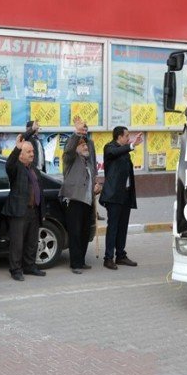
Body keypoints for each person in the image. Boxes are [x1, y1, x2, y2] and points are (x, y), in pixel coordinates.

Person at [60, 117, 100, 274]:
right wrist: (77, 133)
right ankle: (75, 264)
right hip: (74, 200)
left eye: (85, 143)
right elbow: (69, 148)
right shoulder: (70, 159)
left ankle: (81, 261)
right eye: (82, 144)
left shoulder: (88, 161)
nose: (85, 146)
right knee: (75, 233)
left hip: (87, 201)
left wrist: (97, 186)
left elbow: (94, 175)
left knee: (84, 233)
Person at [100, 126, 143, 270]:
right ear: (119, 137)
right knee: (113, 227)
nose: (128, 138)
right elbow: (115, 152)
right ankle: (108, 258)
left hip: (125, 195)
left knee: (123, 226)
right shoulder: (110, 148)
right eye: (126, 136)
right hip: (113, 196)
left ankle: (120, 255)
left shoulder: (125, 151)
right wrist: (132, 145)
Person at [3, 134, 45, 281]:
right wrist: (16, 148)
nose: (32, 154)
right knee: (17, 243)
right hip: (19, 211)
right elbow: (9, 164)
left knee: (32, 242)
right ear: (21, 155)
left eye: (33, 151)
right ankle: (15, 270)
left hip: (34, 210)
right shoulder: (16, 168)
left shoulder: (34, 169)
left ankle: (29, 266)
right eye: (28, 152)